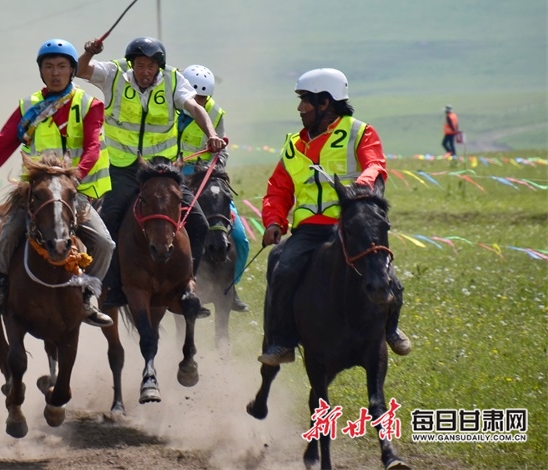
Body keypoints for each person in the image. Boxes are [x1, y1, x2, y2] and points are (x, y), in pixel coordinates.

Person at [257, 68, 411, 366]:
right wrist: (274, 221)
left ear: (325, 102)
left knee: (388, 274)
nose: (300, 108)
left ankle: (390, 329)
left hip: (349, 226)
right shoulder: (294, 144)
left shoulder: (359, 132)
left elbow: (375, 166)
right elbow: (278, 188)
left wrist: (359, 188)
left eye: (305, 101)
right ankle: (283, 341)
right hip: (309, 230)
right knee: (282, 267)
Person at [0, 39, 115, 327]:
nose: (55, 73)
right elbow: (1, 145)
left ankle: (87, 297)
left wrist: (75, 175)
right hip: (36, 195)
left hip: (76, 194)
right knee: (7, 233)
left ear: (71, 71)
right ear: (41, 72)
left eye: (61, 67)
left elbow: (93, 146)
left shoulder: (89, 105)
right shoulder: (29, 107)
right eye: (49, 67)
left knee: (105, 243)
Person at [77, 37, 227, 312]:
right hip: (123, 168)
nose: (146, 71)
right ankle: (113, 288)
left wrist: (212, 134)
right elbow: (82, 71)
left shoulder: (173, 80)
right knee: (109, 220)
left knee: (200, 225)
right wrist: (88, 52)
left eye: (151, 66)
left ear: (160, 66)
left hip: (162, 170)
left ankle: (188, 287)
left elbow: (195, 107)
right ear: (132, 64)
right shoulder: (114, 74)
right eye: (140, 65)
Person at [178, 64, 249, 313]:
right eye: (194, 97)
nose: (199, 101)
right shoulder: (167, 108)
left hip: (207, 178)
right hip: (172, 179)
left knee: (240, 238)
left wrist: (215, 164)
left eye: (203, 97)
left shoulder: (216, 114)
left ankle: (231, 289)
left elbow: (223, 151)